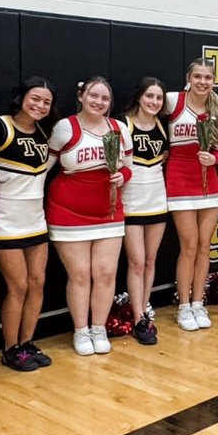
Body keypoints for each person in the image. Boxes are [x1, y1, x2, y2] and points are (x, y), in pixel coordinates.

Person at [46, 77, 133, 356]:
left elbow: (129, 167)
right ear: (81, 96)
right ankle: (81, 330)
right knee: (80, 275)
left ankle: (99, 327)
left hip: (108, 212)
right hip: (68, 213)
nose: (99, 102)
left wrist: (123, 176)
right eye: (93, 96)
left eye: (105, 99)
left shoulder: (119, 129)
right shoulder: (64, 128)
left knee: (106, 274)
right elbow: (44, 167)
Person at [0, 77, 57, 372]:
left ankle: (27, 343)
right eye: (35, 98)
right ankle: (10, 348)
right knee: (16, 286)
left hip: (35, 220)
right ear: (22, 97)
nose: (40, 105)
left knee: (37, 283)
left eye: (46, 102)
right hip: (4, 218)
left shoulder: (46, 132)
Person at [165, 59, 218, 331]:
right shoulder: (172, 101)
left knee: (205, 246)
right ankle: (183, 305)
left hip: (209, 183)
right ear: (188, 78)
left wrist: (212, 159)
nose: (203, 82)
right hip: (179, 180)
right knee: (189, 246)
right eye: (198, 77)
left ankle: (198, 302)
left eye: (208, 77)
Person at [121, 77, 169, 344]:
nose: (154, 102)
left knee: (150, 261)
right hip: (131, 202)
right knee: (136, 262)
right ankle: (138, 315)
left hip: (157, 200)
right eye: (149, 96)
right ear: (139, 97)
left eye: (158, 98)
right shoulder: (123, 125)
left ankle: (144, 308)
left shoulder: (163, 126)